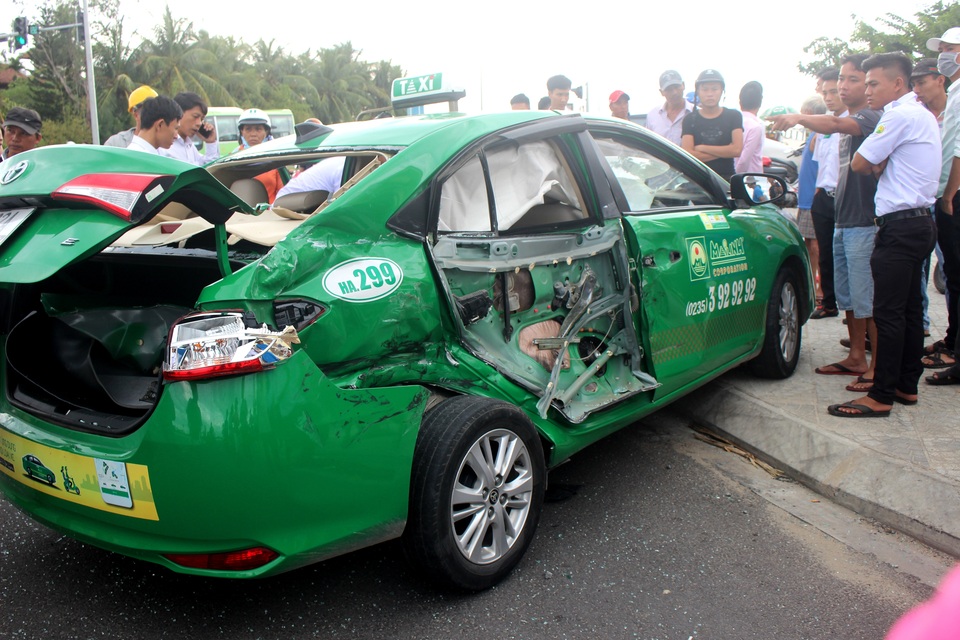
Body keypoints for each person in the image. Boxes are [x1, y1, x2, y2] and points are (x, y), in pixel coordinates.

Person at [827, 53, 939, 417]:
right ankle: (906, 385)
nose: (868, 89)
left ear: (897, 84)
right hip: (919, 223)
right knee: (908, 311)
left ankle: (881, 394)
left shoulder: (899, 114)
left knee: (888, 314)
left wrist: (877, 161)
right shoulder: (920, 114)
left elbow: (860, 163)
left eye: (873, 83)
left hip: (900, 226)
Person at [768, 54, 882, 386]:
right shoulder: (842, 121)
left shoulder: (870, 117)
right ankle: (857, 357)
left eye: (852, 80)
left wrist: (797, 117)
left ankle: (878, 369)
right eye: (840, 81)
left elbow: (832, 124)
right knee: (847, 294)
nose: (843, 88)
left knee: (867, 297)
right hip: (842, 215)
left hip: (865, 218)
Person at [924, 26, 960, 383]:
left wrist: (948, 194)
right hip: (949, 192)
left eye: (950, 49)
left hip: (954, 195)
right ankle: (952, 340)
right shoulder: (955, 91)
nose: (944, 55)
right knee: (951, 274)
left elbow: (959, 150)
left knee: (957, 275)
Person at [810, 68, 843, 319]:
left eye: (834, 91)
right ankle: (828, 302)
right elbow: (820, 160)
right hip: (824, 195)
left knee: (847, 255)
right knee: (825, 253)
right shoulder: (824, 125)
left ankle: (855, 311)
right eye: (826, 92)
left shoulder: (855, 121)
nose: (830, 97)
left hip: (847, 198)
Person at [681, 69, 743, 180]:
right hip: (698, 181)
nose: (710, 94)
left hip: (726, 179)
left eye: (714, 89)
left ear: (722, 90)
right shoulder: (689, 119)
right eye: (705, 89)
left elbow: (737, 150)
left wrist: (702, 148)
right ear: (698, 92)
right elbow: (688, 155)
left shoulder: (734, 116)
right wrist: (726, 151)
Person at [795, 94, 827, 303]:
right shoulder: (814, 135)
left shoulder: (819, 135)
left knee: (814, 244)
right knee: (809, 242)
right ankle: (812, 284)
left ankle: (818, 289)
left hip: (812, 200)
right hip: (806, 197)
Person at [235, 108, 284, 202]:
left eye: (258, 129)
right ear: (242, 131)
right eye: (248, 129)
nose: (253, 134)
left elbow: (282, 193)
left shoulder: (276, 157)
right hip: (241, 215)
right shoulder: (233, 157)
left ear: (266, 132)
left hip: (269, 214)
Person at [159, 92, 219, 166]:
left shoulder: (188, 144)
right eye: (195, 116)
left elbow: (208, 167)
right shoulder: (165, 146)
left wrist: (210, 142)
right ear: (179, 113)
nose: (199, 123)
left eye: (202, 119)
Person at [646, 70, 694, 146]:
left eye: (677, 87)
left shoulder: (696, 113)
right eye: (669, 89)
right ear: (661, 92)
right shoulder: (653, 115)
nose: (674, 92)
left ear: (683, 85)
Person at [275, 156, 346, 202]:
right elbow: (342, 201)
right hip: (287, 206)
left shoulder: (343, 163)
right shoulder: (343, 168)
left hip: (308, 207)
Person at [735, 81, 764, 174]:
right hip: (749, 180)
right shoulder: (756, 126)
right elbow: (744, 161)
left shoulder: (732, 122)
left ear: (740, 102)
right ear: (760, 102)